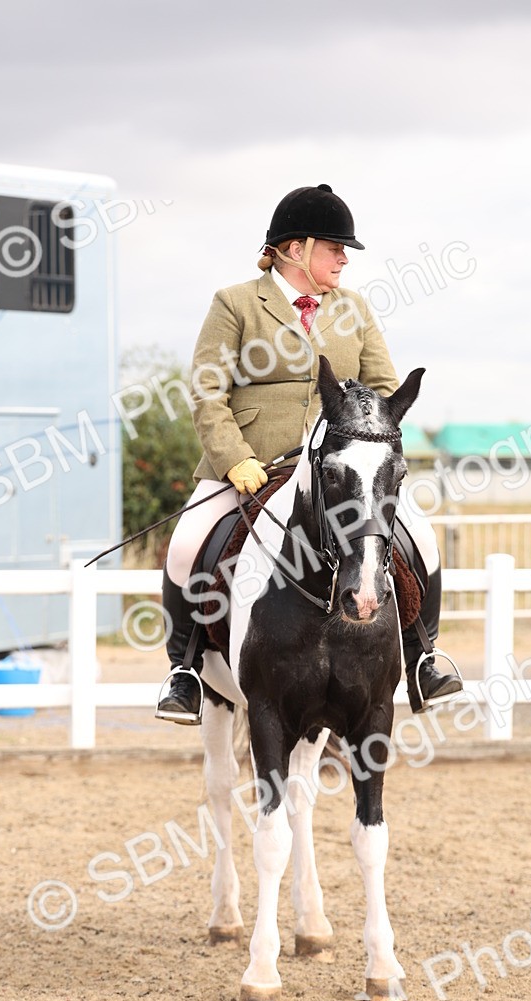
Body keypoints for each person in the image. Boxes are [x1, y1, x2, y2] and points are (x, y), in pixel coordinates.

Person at [156, 183, 462, 723]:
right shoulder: (235, 304)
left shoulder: (355, 309)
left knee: (424, 541)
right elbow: (206, 391)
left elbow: (384, 394)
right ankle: (183, 670)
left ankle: (424, 658)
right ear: (295, 249)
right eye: (334, 247)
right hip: (252, 467)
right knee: (185, 546)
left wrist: (375, 455)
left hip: (339, 472)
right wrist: (234, 458)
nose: (344, 258)